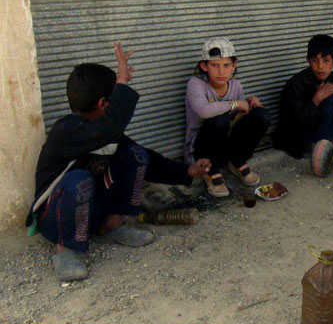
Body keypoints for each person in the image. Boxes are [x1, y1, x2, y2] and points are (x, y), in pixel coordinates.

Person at [25, 42, 212, 282]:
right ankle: (66, 249)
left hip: (92, 212)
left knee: (135, 154)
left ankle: (110, 227)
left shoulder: (106, 133)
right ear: (104, 104)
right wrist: (122, 83)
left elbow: (144, 157)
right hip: (55, 221)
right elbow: (113, 124)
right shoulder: (66, 132)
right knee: (78, 179)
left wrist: (186, 170)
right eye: (114, 100)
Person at [184, 37, 271, 197]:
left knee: (262, 115)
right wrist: (234, 104)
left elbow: (237, 119)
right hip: (201, 148)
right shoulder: (195, 84)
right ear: (204, 66)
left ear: (234, 65)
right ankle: (209, 169)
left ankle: (236, 160)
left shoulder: (236, 86)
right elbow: (204, 111)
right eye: (214, 65)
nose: (221, 71)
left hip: (225, 145)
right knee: (220, 119)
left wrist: (248, 107)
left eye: (226, 65)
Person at [273, 34, 333, 158]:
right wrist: (316, 99)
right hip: (301, 138)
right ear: (308, 60)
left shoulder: (332, 78)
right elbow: (297, 122)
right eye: (315, 60)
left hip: (327, 130)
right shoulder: (296, 84)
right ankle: (319, 147)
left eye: (326, 60)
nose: (320, 66)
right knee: (331, 96)